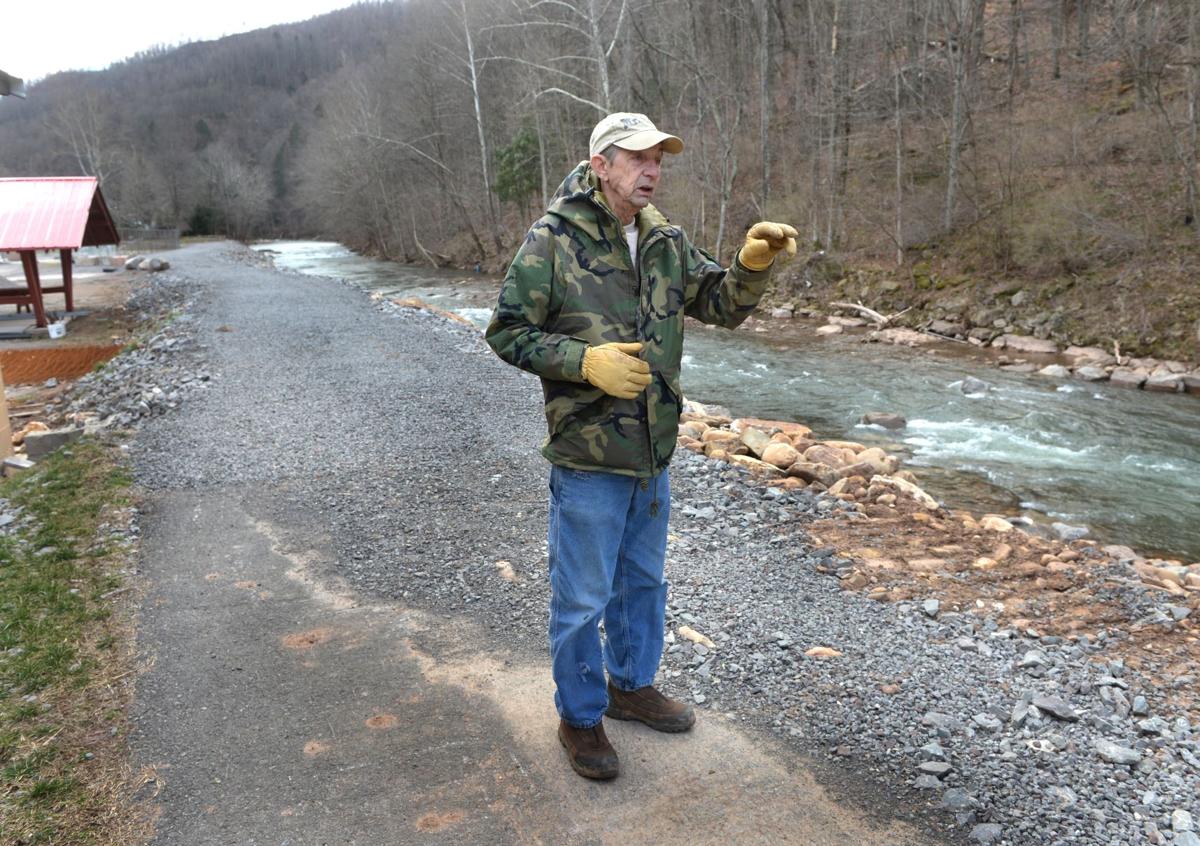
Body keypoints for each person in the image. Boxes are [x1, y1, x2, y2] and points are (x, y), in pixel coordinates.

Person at [485, 112, 797, 780]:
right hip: (589, 456)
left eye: (659, 159)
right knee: (581, 597)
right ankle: (580, 717)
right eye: (638, 158)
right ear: (602, 165)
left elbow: (718, 303)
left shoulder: (664, 240)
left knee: (644, 584)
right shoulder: (553, 240)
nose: (652, 170)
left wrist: (751, 264)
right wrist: (583, 361)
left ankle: (630, 686)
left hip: (652, 451)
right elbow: (507, 331)